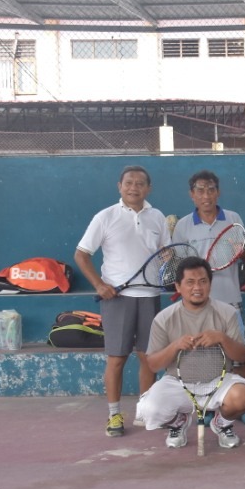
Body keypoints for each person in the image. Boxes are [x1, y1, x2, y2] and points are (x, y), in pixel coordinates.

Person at [75, 165, 170, 438]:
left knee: (148, 358)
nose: (134, 187)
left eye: (140, 183)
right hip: (117, 299)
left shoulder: (158, 217)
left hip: (150, 296)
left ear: (148, 188)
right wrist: (100, 285)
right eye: (129, 182)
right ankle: (114, 414)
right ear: (120, 186)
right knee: (116, 358)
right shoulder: (105, 217)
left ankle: (146, 410)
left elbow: (165, 254)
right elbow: (81, 255)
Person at [136, 257, 245, 450]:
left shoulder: (227, 312)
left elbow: (242, 356)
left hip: (218, 380)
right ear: (178, 286)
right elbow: (153, 365)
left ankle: (221, 424)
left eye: (203, 281)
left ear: (210, 284)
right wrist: (175, 346)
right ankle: (178, 422)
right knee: (149, 410)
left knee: (241, 397)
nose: (197, 287)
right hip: (177, 382)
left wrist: (222, 338)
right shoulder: (163, 319)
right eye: (190, 282)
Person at [171, 170, 245, 394]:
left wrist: (239, 253)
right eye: (200, 190)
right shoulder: (183, 226)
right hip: (197, 306)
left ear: (218, 192)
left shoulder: (233, 218)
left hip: (230, 300)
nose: (206, 195)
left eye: (211, 189)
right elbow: (179, 265)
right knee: (201, 357)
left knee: (239, 357)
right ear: (192, 194)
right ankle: (207, 401)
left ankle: (244, 405)